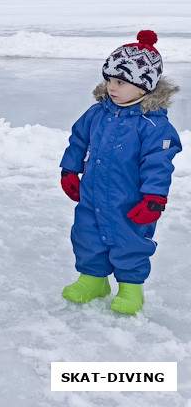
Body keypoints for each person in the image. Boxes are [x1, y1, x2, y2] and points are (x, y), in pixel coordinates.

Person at [59, 30, 182, 315]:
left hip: (130, 201)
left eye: (121, 82)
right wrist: (69, 170)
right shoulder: (97, 113)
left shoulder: (153, 126)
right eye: (109, 80)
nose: (112, 88)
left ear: (144, 87)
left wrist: (154, 198)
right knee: (86, 235)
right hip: (92, 195)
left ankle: (130, 288)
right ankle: (93, 279)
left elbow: (159, 163)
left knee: (130, 242)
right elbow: (78, 140)